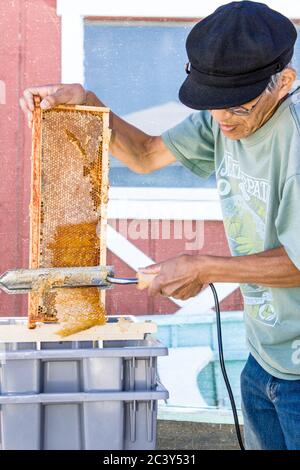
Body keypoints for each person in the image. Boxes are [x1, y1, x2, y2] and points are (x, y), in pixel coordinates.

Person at [20, 1, 300, 450]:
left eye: (239, 107)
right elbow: (147, 155)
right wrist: (89, 104)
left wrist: (203, 266)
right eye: (214, 106)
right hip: (265, 356)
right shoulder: (225, 118)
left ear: (283, 82)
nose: (224, 119)